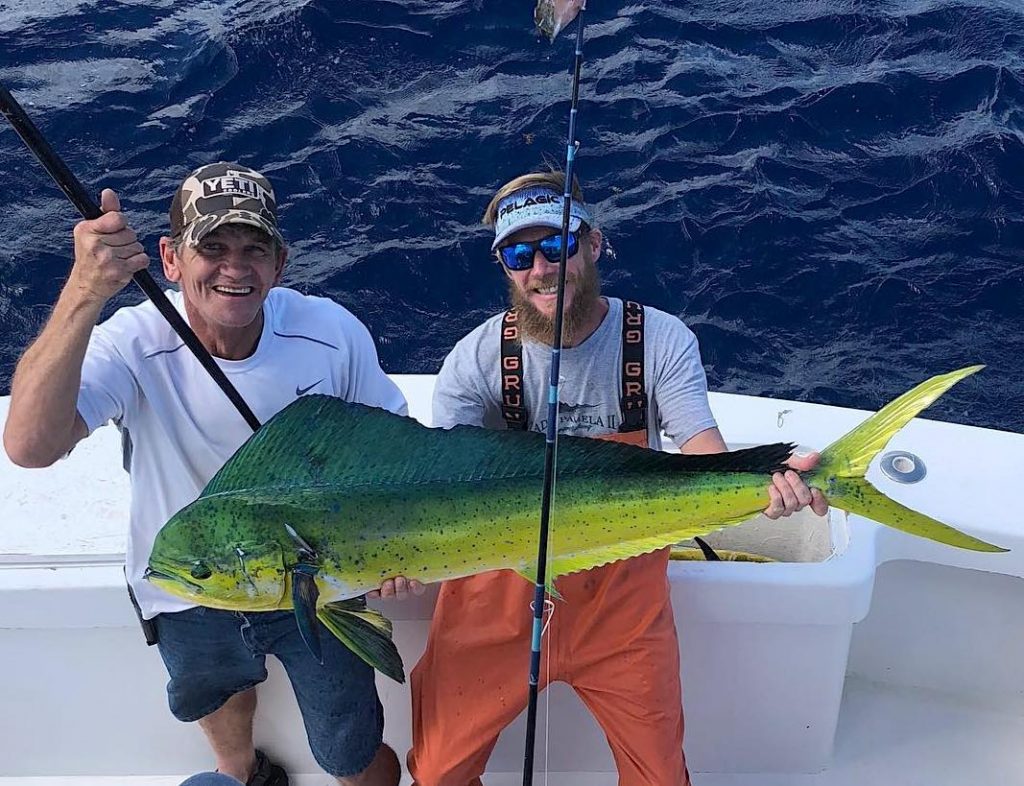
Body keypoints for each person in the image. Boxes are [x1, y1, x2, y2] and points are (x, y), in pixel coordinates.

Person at [3, 162, 423, 786]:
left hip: (319, 584)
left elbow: (398, 457)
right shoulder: (134, 341)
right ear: (170, 259)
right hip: (188, 587)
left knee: (349, 752)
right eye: (213, 246)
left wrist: (397, 548)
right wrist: (85, 292)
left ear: (280, 265)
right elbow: (29, 446)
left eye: (255, 249)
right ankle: (242, 771)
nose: (235, 267)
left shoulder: (331, 332)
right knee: (219, 708)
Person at [407, 170, 829, 786]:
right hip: (496, 602)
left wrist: (769, 483)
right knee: (438, 771)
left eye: (558, 246)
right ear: (504, 265)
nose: (542, 268)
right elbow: (443, 492)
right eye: (520, 254)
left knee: (660, 776)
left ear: (594, 244)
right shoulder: (473, 360)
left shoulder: (657, 340)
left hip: (623, 608)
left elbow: (700, 452)